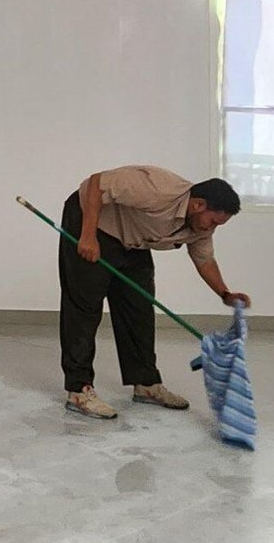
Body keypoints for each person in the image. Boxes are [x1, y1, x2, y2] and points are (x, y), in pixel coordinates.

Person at [57, 167, 250, 418]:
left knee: (139, 308)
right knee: (84, 306)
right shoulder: (158, 189)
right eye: (213, 221)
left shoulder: (200, 228)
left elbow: (204, 260)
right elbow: (96, 184)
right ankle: (78, 390)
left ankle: (146, 384)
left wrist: (225, 294)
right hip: (92, 221)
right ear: (198, 205)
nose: (212, 228)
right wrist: (87, 235)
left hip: (133, 237)